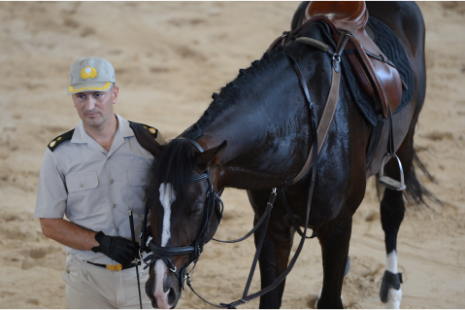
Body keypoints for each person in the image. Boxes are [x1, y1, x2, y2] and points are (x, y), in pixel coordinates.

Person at [35, 57, 164, 308]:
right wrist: (101, 243)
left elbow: (175, 201)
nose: (90, 105)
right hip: (87, 281)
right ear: (72, 98)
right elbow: (49, 223)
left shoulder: (149, 142)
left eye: (98, 94)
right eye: (81, 96)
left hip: (143, 276)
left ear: (114, 94)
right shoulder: (58, 153)